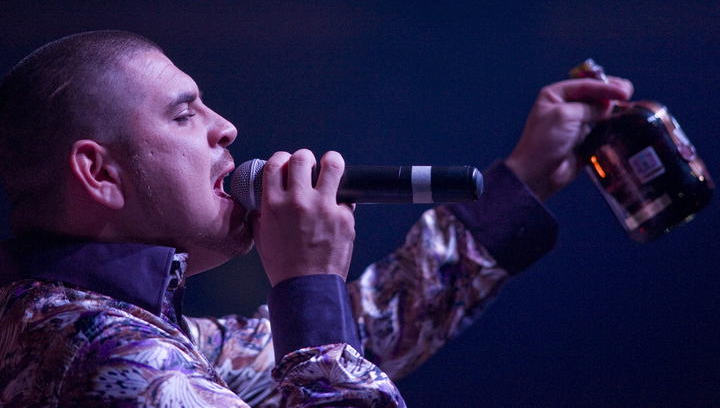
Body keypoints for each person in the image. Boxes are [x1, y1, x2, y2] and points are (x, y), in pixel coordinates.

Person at [0, 31, 633, 407]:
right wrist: (306, 283)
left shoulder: (106, 326)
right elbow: (327, 358)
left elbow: (371, 329)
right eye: (184, 114)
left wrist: (522, 179)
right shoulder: (108, 356)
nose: (227, 128)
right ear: (100, 173)